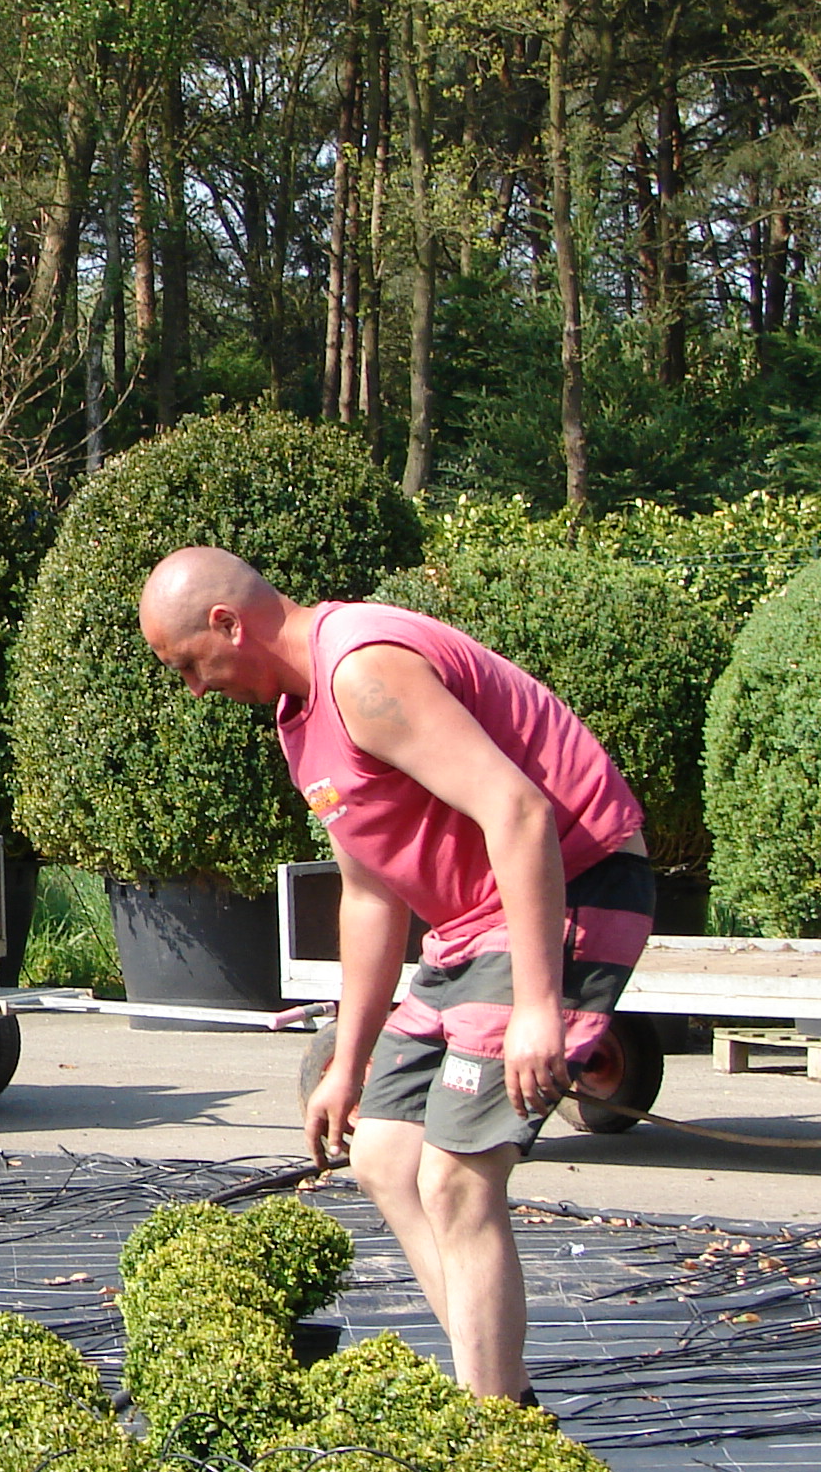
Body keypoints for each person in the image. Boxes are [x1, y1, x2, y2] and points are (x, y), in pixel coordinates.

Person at [136, 546, 652, 1405]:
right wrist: (346, 1062)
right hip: (465, 923)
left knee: (456, 1177)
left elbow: (518, 809)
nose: (195, 688)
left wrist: (536, 1006)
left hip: (569, 886)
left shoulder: (364, 671)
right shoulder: (301, 718)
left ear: (228, 623)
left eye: (190, 664)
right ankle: (505, 1406)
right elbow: (372, 894)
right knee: (383, 1154)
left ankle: (498, 1446)